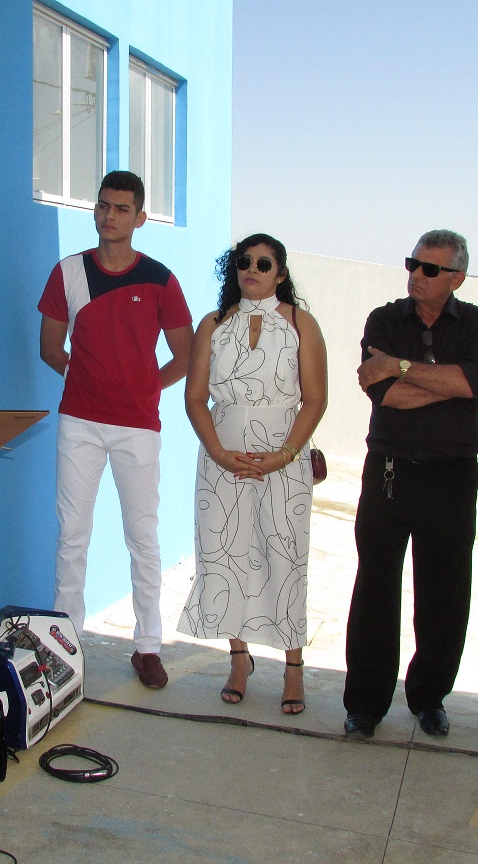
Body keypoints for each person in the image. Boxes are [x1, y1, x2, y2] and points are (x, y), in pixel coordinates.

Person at [38, 170, 194, 689]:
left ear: (140, 218)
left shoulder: (161, 280)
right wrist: (86, 377)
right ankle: (64, 650)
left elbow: (187, 355)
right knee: (72, 537)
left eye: (122, 208)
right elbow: (49, 348)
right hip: (79, 423)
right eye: (103, 205)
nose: (110, 215)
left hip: (137, 428)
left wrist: (144, 387)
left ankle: (148, 646)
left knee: (142, 537)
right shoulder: (68, 272)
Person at [343, 230, 478, 739]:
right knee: (375, 589)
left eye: (430, 269)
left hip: (451, 475)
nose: (416, 275)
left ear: (457, 278)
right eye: (413, 264)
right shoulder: (384, 320)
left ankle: (429, 698)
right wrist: (452, 384)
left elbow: (472, 380)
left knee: (444, 594)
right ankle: (365, 706)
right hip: (389, 472)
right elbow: (386, 394)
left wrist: (403, 367)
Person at [177, 234, 328, 714]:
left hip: (285, 457)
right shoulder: (213, 324)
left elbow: (316, 399)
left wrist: (287, 454)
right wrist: (218, 452)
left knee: (285, 558)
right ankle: (239, 659)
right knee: (226, 558)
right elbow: (194, 398)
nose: (252, 270)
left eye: (264, 263)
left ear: (280, 273)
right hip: (222, 457)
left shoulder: (301, 323)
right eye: (244, 262)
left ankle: (293, 667)